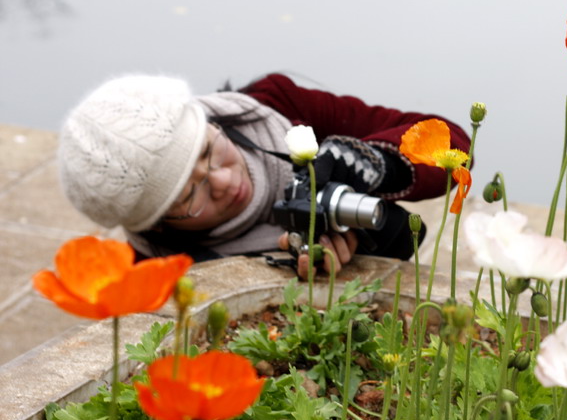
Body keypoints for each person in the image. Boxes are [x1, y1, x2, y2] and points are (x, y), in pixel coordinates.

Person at [58, 72, 471, 279]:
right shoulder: (154, 274)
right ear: (158, 224)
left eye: (208, 151)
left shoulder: (276, 104)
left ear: (212, 121)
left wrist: (372, 164)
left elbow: (451, 142)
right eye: (189, 196)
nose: (221, 181)